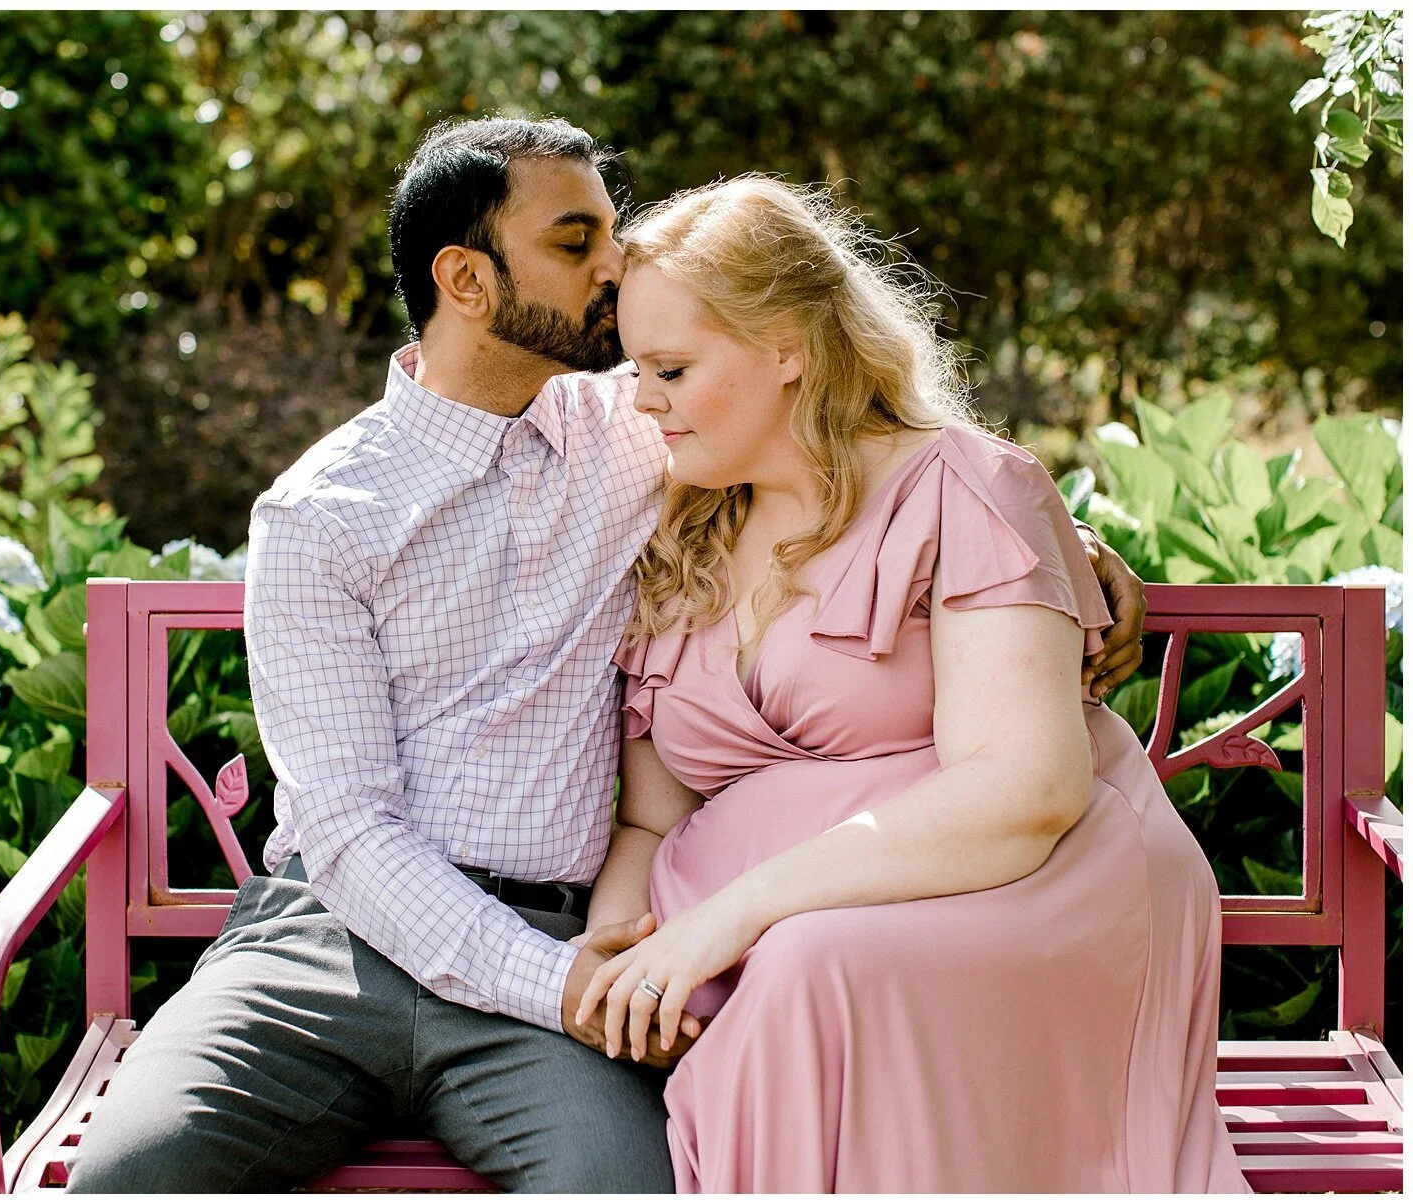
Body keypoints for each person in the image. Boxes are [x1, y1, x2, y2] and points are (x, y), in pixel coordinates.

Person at [66, 118, 1147, 1193]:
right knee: (126, 1177)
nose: (614, 266)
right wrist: (568, 984)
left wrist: (1060, 546)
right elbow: (349, 830)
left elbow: (844, 451)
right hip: (324, 948)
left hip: (560, 929)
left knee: (618, 1184)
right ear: (468, 279)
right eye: (576, 243)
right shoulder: (321, 516)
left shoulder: (644, 428)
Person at [575, 176, 1251, 1193]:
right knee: (802, 970)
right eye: (636, 368)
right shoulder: (676, 525)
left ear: (788, 347)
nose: (640, 400)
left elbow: (1027, 794)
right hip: (777, 935)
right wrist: (611, 957)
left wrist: (737, 916)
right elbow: (650, 823)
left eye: (670, 368)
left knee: (812, 973)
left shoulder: (965, 489)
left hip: (1036, 883)